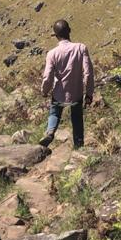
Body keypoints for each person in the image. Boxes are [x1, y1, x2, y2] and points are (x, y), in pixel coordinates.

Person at [39, 19, 94, 148]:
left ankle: (50, 132)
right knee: (77, 118)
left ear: (56, 36)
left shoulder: (52, 54)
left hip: (59, 93)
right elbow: (88, 73)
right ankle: (78, 145)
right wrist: (89, 93)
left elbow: (48, 77)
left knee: (54, 113)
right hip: (77, 94)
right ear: (69, 31)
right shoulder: (81, 48)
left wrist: (45, 91)